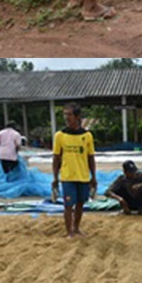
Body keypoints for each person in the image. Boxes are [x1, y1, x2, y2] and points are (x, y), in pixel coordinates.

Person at [52, 102, 97, 238]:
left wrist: (93, 177)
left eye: (69, 114)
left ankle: (76, 228)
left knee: (80, 204)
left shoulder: (87, 135)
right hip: (67, 176)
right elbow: (56, 158)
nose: (67, 117)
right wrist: (55, 177)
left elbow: (91, 157)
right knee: (68, 205)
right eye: (65, 114)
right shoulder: (60, 135)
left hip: (83, 176)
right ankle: (69, 231)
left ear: (77, 117)